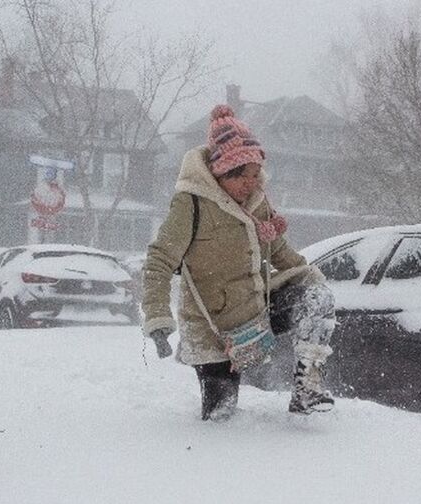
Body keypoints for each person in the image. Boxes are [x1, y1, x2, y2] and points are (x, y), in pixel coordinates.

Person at [141, 104, 336, 421]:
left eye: (255, 173)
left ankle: (308, 389)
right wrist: (158, 318)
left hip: (258, 311)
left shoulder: (257, 203)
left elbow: (280, 251)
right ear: (221, 172)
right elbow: (159, 261)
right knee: (221, 416)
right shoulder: (191, 203)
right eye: (241, 175)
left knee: (316, 298)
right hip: (213, 329)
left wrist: (315, 279)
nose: (251, 182)